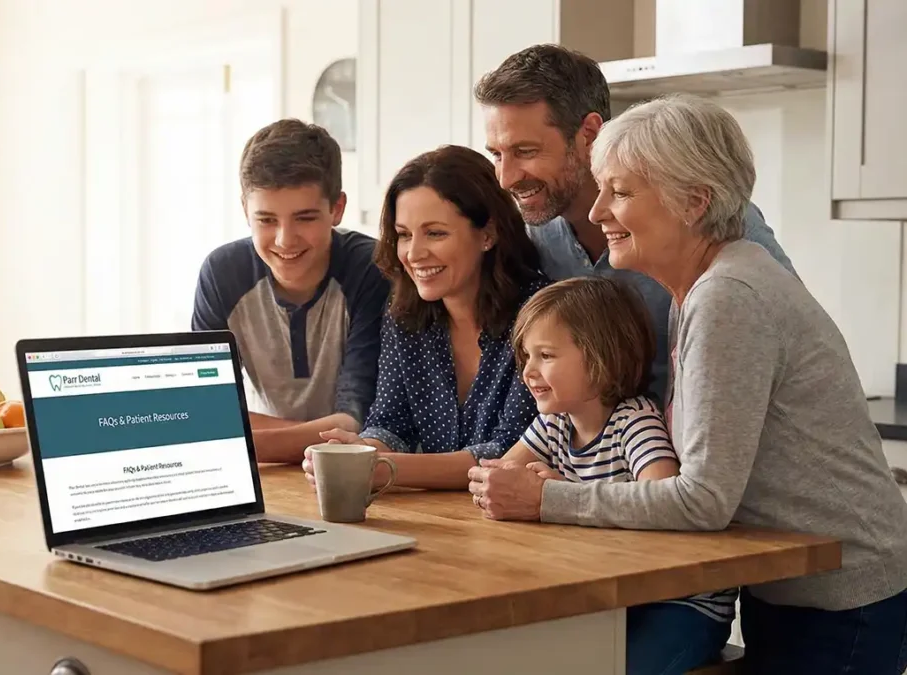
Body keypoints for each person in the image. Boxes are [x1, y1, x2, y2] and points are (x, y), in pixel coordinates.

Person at [468, 93, 907, 674]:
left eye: (620, 192)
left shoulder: (728, 298)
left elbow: (702, 501)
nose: (598, 212)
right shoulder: (706, 287)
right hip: (801, 590)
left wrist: (545, 498)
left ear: (693, 203)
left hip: (842, 598)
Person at [473, 44, 797, 405]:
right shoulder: (533, 236)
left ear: (589, 133)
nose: (506, 178)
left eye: (526, 151)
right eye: (497, 155)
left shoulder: (708, 221)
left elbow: (789, 344)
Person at [499, 275, 734, 675]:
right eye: (527, 356)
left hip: (680, 604)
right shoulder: (554, 424)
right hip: (611, 597)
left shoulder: (634, 421)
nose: (528, 372)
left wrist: (559, 492)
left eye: (546, 356)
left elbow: (662, 500)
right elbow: (502, 480)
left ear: (600, 357)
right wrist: (507, 484)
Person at [302, 144, 548, 490]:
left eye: (435, 233)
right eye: (404, 235)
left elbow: (511, 452)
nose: (413, 253)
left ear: (488, 234)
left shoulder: (542, 315)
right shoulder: (405, 314)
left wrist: (381, 469)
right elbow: (390, 422)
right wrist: (358, 451)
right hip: (442, 519)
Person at [192, 119, 390, 463]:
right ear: (245, 210)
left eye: (305, 218)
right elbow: (205, 408)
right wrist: (304, 437)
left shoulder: (371, 270)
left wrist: (234, 439)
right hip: (269, 475)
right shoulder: (221, 273)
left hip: (358, 472)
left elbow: (355, 422)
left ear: (337, 209)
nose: (285, 240)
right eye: (267, 220)